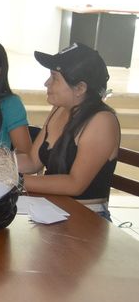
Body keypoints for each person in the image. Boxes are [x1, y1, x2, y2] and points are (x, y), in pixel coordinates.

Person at [16, 43, 120, 219]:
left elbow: (74, 184)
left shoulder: (102, 121)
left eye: (54, 78)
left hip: (87, 218)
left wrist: (15, 180)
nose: (47, 83)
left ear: (80, 88)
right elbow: (33, 162)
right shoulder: (59, 109)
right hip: (52, 210)